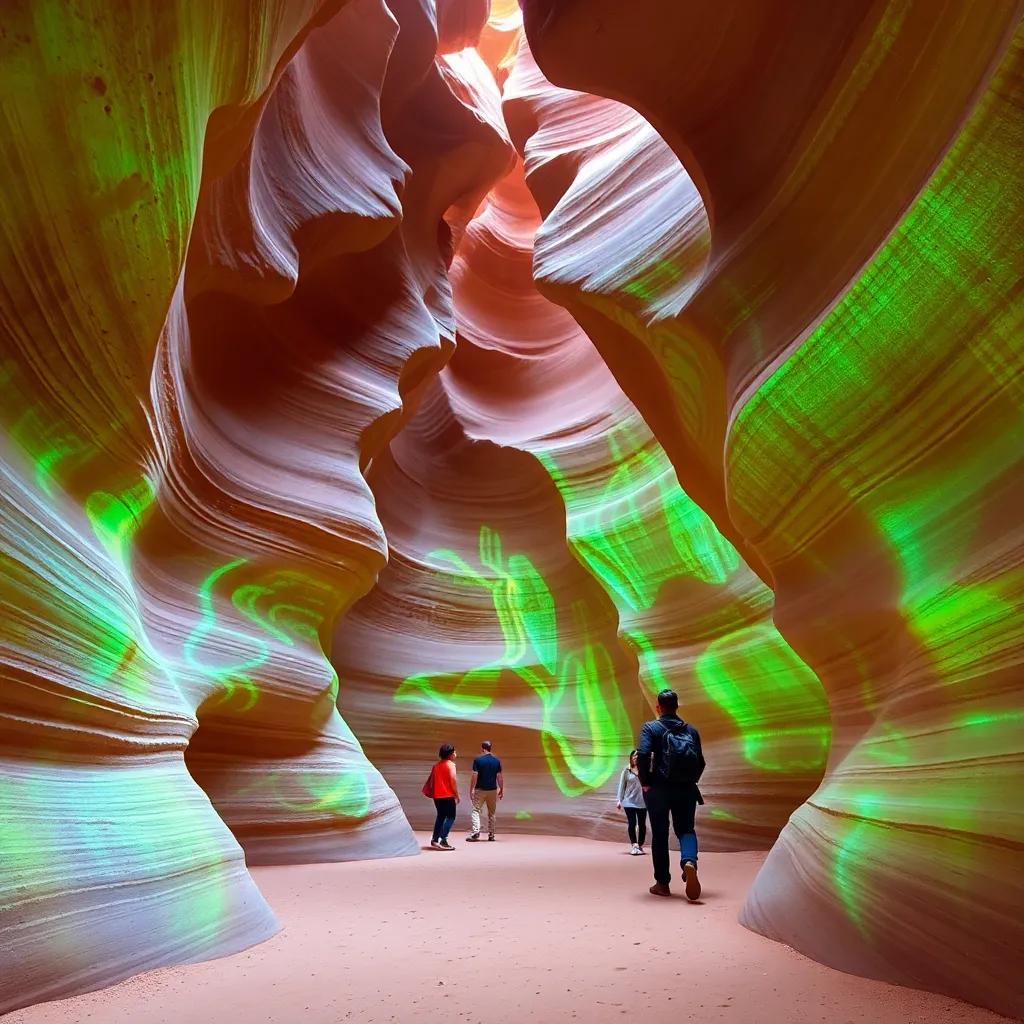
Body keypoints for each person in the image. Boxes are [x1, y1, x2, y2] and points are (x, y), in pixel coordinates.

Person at [636, 689, 705, 900]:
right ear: (677, 706)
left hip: (658, 788)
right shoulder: (691, 731)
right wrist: (690, 781)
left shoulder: (651, 727)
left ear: (658, 706)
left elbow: (644, 755)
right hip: (685, 788)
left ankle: (662, 883)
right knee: (686, 829)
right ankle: (689, 862)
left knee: (660, 833)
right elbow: (700, 762)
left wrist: (645, 782)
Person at [466, 740, 503, 842]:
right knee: (491, 813)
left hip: (480, 789)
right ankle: (491, 834)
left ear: (483, 748)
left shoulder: (478, 760)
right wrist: (501, 789)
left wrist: (471, 789)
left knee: (475, 810)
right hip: (493, 789)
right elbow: (499, 777)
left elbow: (474, 775)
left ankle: (475, 831)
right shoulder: (496, 761)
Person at [616, 749, 647, 855]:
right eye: (634, 756)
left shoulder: (645, 770)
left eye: (638, 756)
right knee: (632, 823)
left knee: (642, 824)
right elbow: (622, 785)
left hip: (643, 802)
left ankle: (640, 844)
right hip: (629, 801)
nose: (636, 757)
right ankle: (634, 845)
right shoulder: (626, 770)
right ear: (631, 758)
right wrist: (619, 800)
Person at [430, 744, 460, 850]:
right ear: (450, 754)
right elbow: (453, 780)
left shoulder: (436, 766)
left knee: (441, 816)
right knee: (451, 817)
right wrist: (456, 794)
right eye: (454, 752)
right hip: (447, 795)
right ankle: (443, 840)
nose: (455, 754)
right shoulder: (450, 765)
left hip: (437, 795)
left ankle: (435, 839)